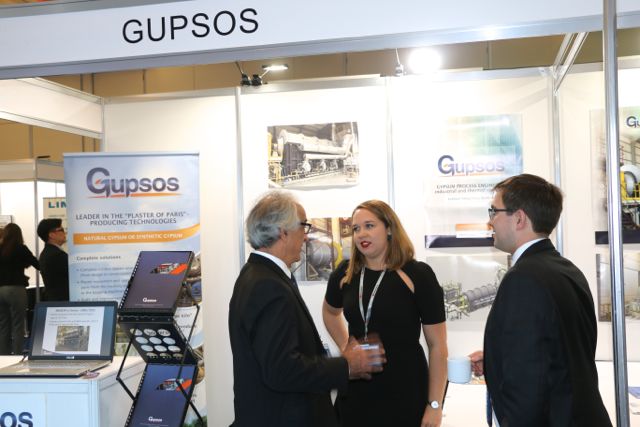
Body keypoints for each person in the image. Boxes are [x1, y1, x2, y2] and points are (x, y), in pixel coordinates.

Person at [228, 191, 386, 427]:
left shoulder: (256, 275)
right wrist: (346, 365)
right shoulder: (267, 285)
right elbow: (282, 370)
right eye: (304, 226)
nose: (306, 236)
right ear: (283, 232)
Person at [470, 174, 612, 426]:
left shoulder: (523, 278)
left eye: (494, 211)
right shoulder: (566, 269)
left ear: (519, 218)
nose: (490, 221)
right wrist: (495, 358)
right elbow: (557, 352)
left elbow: (528, 387)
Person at [323, 200, 448, 427]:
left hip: (405, 391)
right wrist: (346, 347)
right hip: (356, 390)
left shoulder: (417, 275)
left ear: (389, 228)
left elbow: (437, 345)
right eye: (356, 228)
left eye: (369, 225)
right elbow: (330, 312)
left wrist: (434, 405)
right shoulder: (345, 273)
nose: (361, 234)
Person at [0, 223, 39, 355]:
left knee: (3, 325)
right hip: (16, 289)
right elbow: (36, 263)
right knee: (18, 325)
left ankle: (3, 357)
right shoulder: (20, 248)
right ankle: (17, 355)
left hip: (0, 290)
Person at [36, 218, 69, 301]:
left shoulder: (48, 252)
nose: (65, 233)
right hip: (62, 301)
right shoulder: (56, 255)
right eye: (61, 230)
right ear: (51, 235)